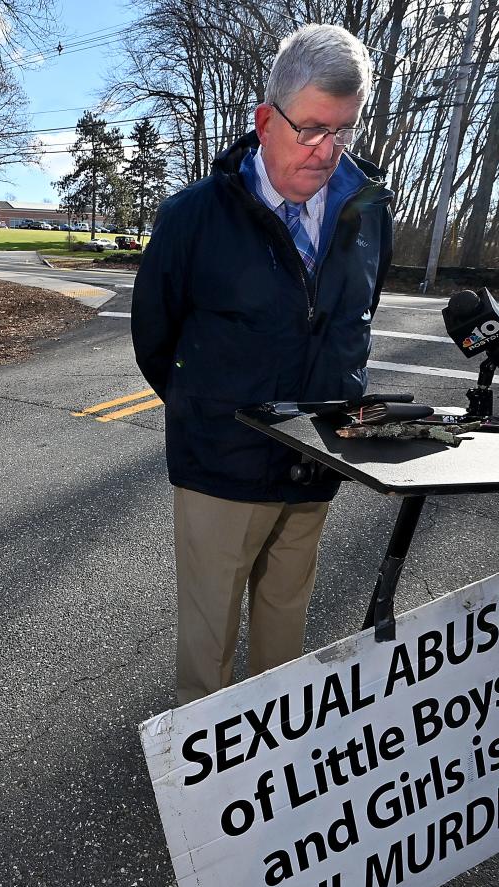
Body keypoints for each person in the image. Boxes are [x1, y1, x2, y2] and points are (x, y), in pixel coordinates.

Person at [131, 23, 394, 706]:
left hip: (314, 463)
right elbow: (156, 339)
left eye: (344, 131)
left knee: (284, 640)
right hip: (221, 466)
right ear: (264, 120)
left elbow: (352, 326)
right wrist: (207, 413)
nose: (327, 151)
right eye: (310, 129)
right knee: (208, 649)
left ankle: (272, 783)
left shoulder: (368, 215)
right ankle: (206, 791)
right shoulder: (193, 216)